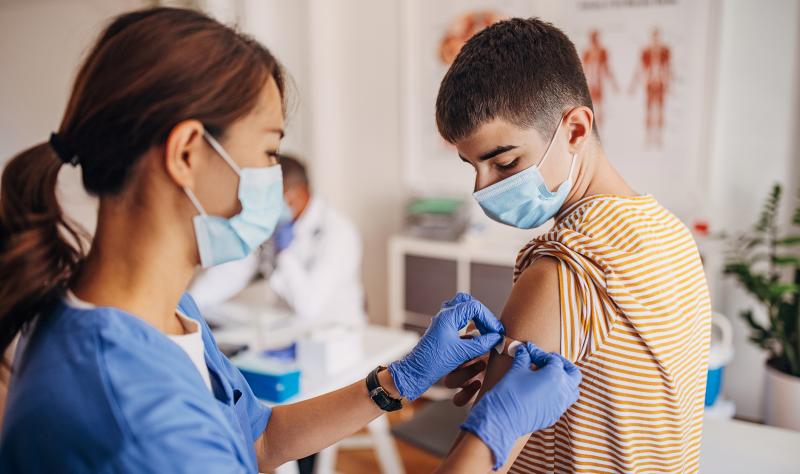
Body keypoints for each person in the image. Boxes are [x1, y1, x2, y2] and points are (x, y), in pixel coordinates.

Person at [0, 8, 581, 473]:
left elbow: (260, 441)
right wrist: (491, 434)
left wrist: (399, 379)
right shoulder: (132, 416)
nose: (276, 179)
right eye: (270, 149)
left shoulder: (172, 313)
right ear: (186, 155)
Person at [437, 18, 710, 473]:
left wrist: (496, 414)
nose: (482, 188)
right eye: (472, 166)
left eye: (504, 162)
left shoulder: (564, 268)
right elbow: (631, 387)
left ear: (576, 130)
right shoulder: (669, 231)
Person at [188, 153, 366, 327]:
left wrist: (285, 254)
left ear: (297, 193)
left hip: (337, 335)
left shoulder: (339, 232)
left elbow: (308, 305)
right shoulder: (278, 226)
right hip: (289, 331)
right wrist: (189, 301)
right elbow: (235, 271)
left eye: (272, 196)